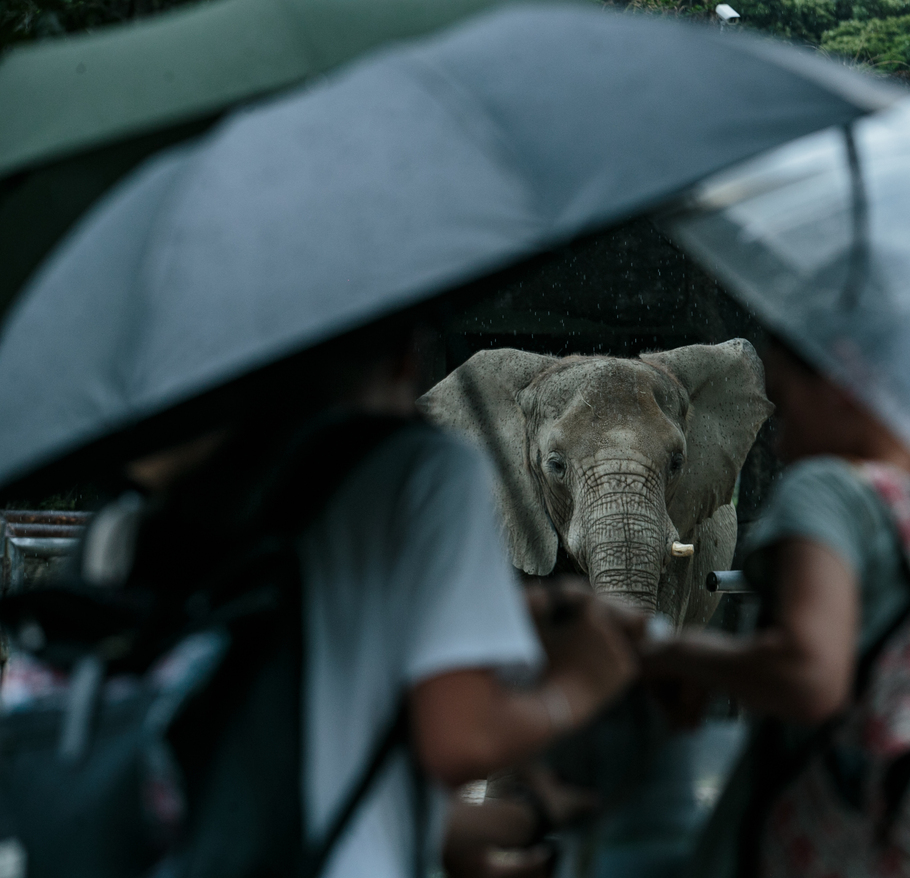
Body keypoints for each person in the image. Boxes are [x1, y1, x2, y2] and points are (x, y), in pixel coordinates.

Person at [113, 321, 641, 878]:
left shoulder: (159, 506)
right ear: (401, 357)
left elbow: (288, 767)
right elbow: (461, 741)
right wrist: (582, 684)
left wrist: (501, 825)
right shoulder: (423, 469)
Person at [643, 339, 910, 878]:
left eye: (785, 406)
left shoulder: (829, 493)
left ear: (846, 381)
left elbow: (809, 675)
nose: (780, 446)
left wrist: (667, 651)